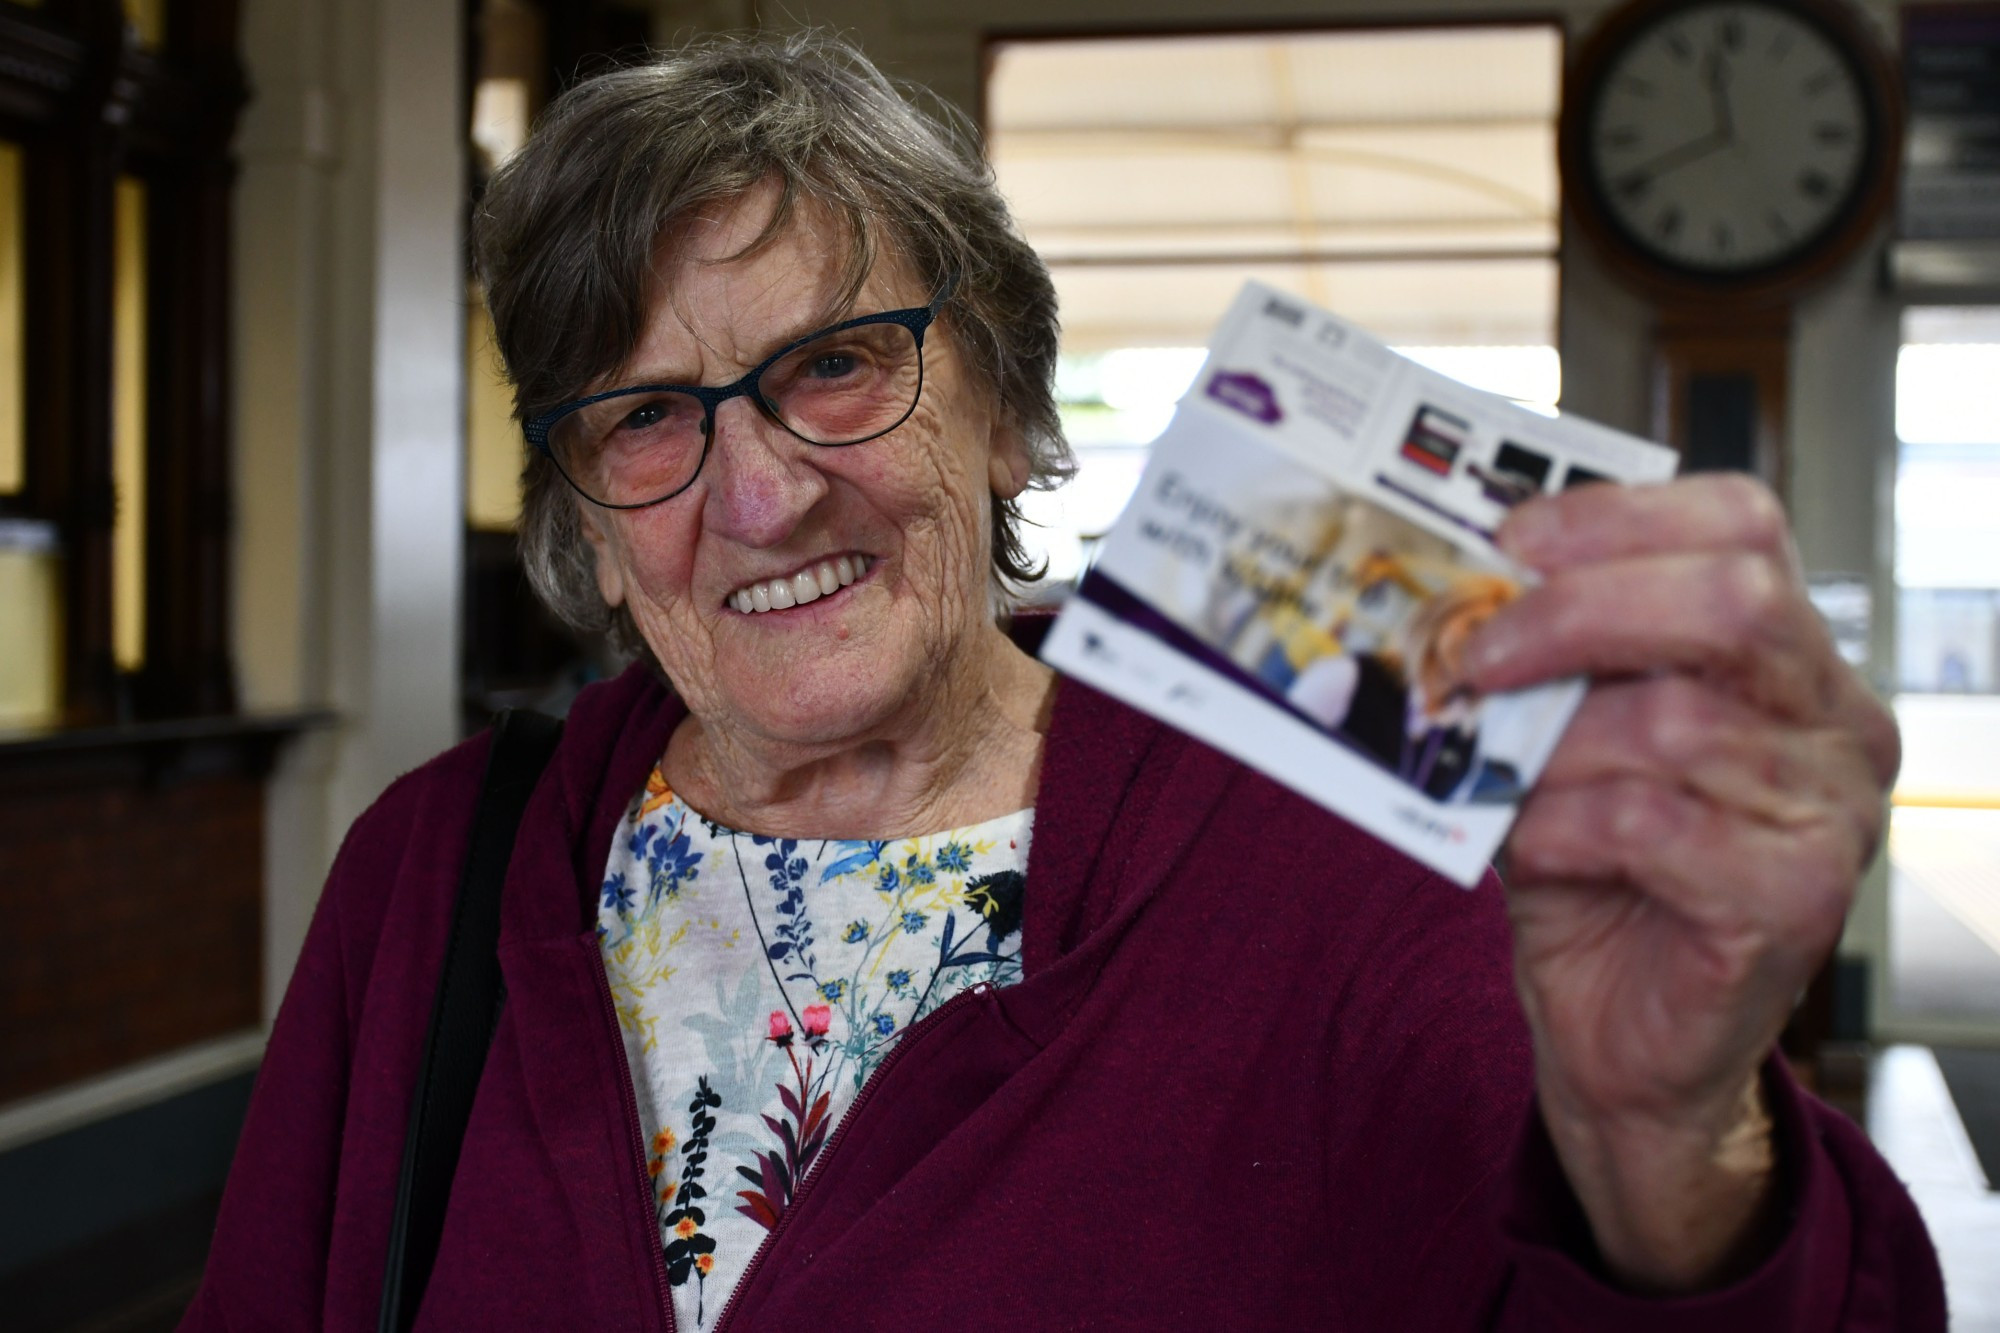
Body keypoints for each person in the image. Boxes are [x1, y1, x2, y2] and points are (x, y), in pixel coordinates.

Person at [182, 32, 1942, 1331]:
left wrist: (1672, 1143)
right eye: (647, 415)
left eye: (840, 364)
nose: (763, 490)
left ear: (1011, 405)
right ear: (580, 501)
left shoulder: (1346, 867)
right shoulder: (437, 871)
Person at [1288, 572, 1520, 800]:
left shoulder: (1467, 742)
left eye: (1494, 640)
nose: (1478, 646)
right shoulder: (1346, 677)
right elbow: (1279, 754)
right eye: (1474, 626)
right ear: (1440, 618)